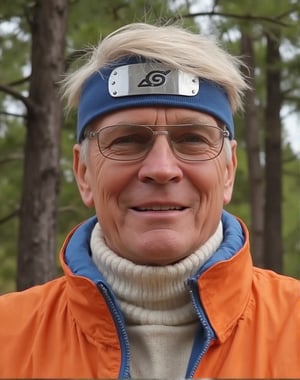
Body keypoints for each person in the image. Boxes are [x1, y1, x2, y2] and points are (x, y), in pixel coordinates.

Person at [0, 22, 299, 379]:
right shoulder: (8, 337)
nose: (161, 169)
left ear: (229, 171)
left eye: (192, 139)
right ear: (83, 173)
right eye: (127, 140)